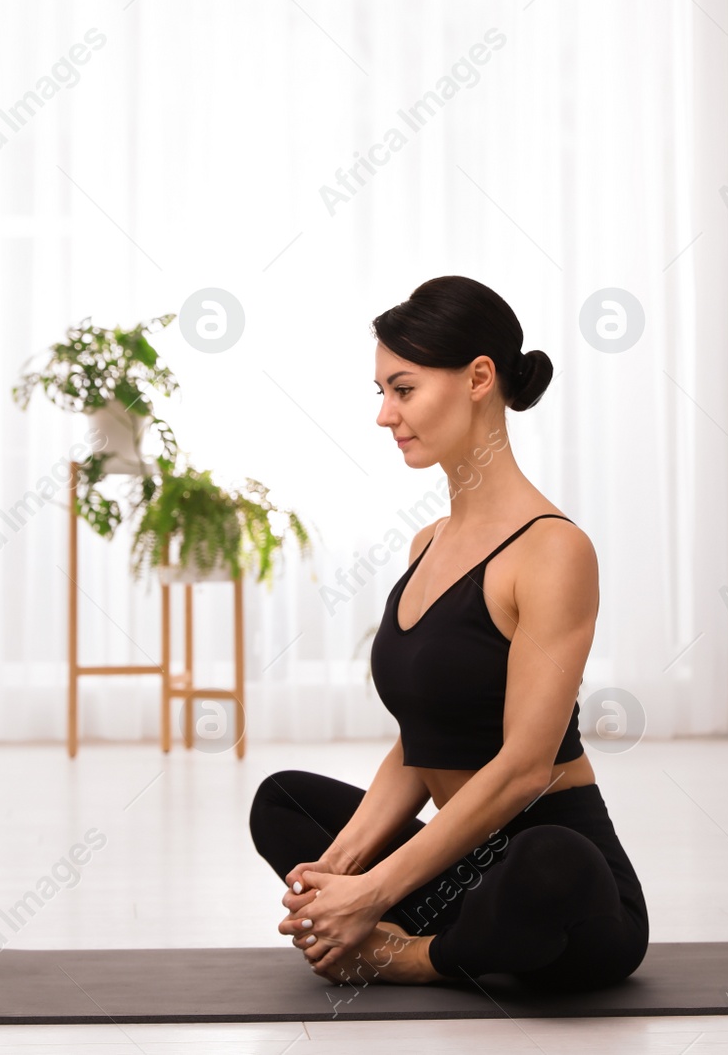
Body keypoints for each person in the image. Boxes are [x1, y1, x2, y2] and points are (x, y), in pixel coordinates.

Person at [248, 276, 649, 993]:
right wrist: (341, 868)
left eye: (402, 389)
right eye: (380, 392)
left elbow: (527, 769)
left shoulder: (553, 550)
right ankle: (455, 938)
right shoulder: (428, 543)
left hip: (558, 882)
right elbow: (422, 739)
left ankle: (404, 953)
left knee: (547, 860)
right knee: (282, 801)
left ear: (479, 378)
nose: (383, 414)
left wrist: (372, 895)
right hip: (458, 871)